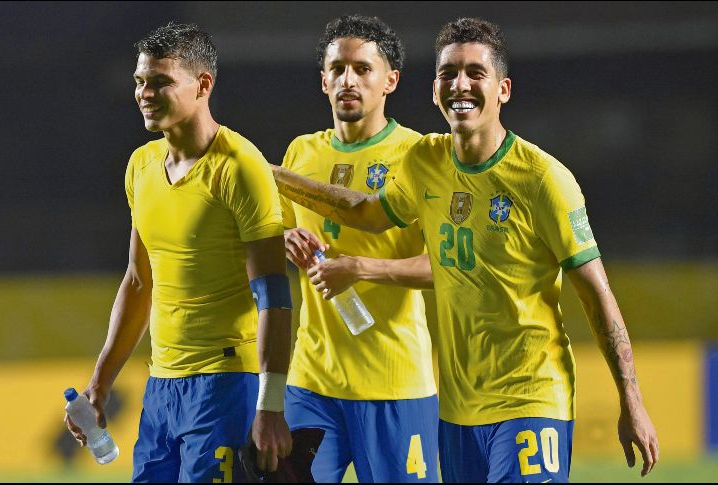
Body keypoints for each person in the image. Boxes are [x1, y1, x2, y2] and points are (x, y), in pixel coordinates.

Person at [271, 17, 659, 483]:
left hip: (530, 397)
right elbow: (366, 211)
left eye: (476, 73)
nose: (461, 85)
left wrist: (631, 400)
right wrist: (268, 172)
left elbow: (597, 293)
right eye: (448, 73)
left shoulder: (544, 179)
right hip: (457, 409)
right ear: (434, 91)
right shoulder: (425, 162)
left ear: (503, 90)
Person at [64, 22, 292, 482]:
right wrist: (99, 384)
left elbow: (274, 295)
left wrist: (270, 406)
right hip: (162, 385)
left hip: (227, 384)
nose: (145, 92)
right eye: (140, 81)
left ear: (203, 84)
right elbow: (137, 281)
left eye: (161, 81)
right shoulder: (141, 166)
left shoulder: (240, 167)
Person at [279, 15, 439, 483]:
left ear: (390, 80)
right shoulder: (301, 154)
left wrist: (361, 268)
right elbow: (272, 240)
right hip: (311, 383)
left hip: (395, 385)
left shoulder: (421, 155)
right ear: (323, 80)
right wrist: (282, 239)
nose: (348, 79)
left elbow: (446, 266)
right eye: (338, 68)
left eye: (363, 69)